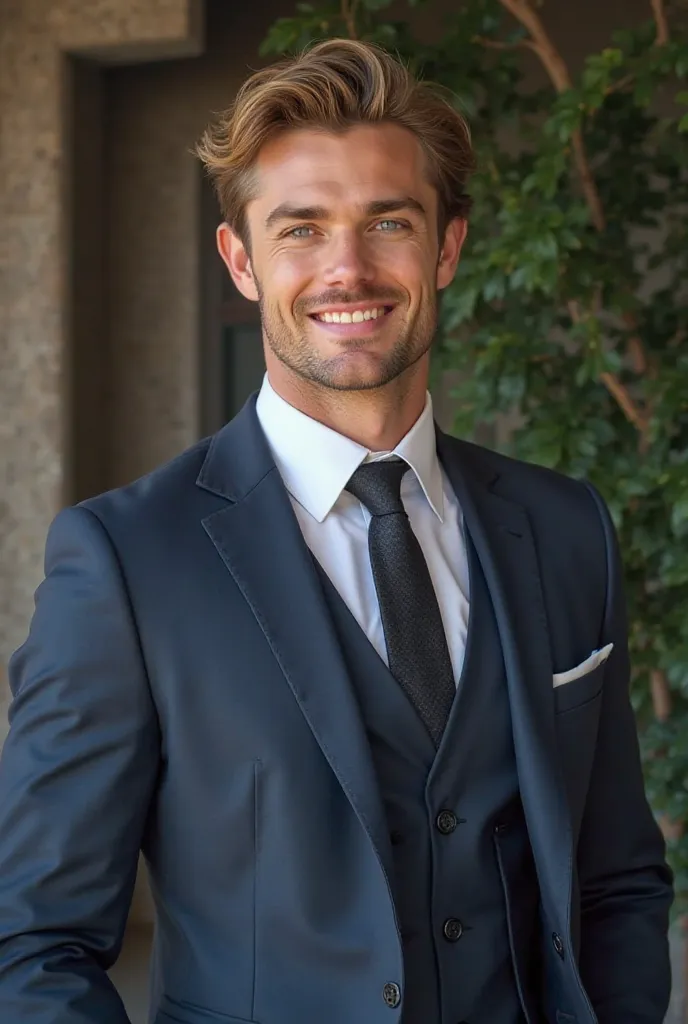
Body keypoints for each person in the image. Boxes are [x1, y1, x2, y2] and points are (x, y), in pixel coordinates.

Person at [0, 38, 673, 1024]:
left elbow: (616, 878)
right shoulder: (127, 562)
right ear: (242, 260)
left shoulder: (565, 529)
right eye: (301, 229)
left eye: (387, 222)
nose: (346, 270)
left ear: (446, 246)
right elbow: (34, 943)